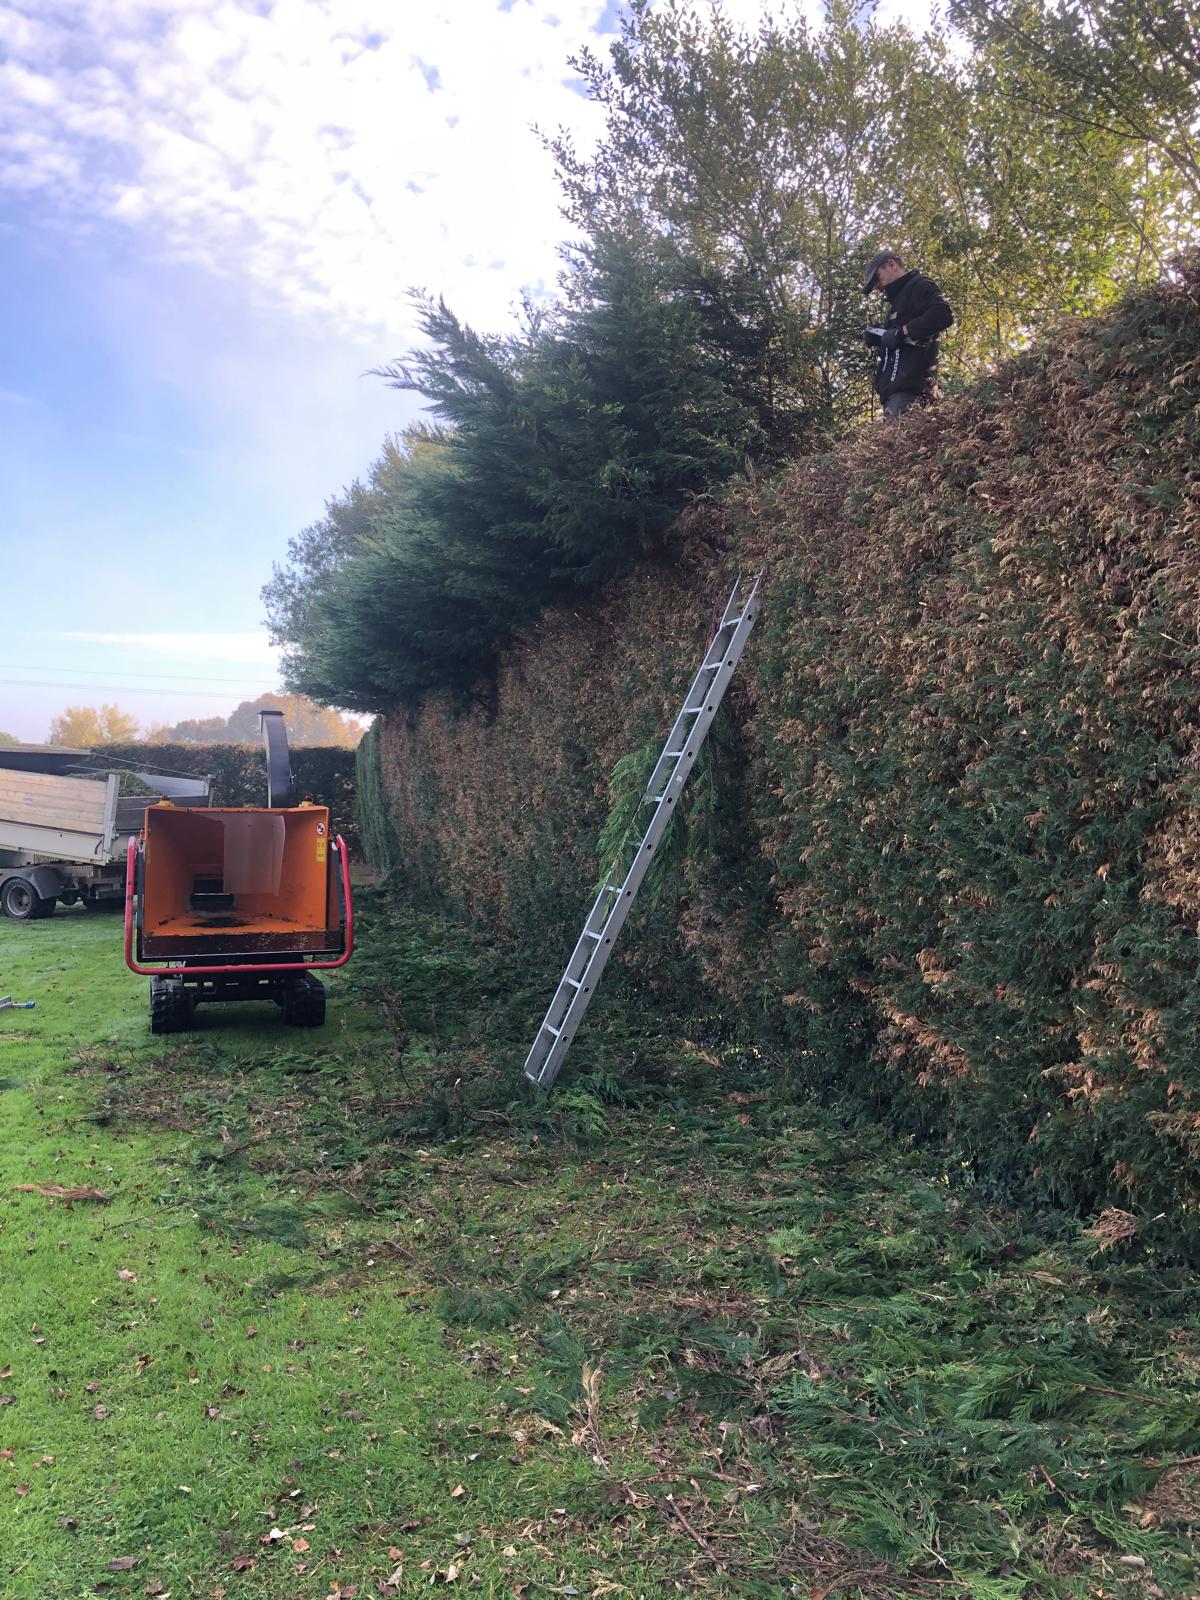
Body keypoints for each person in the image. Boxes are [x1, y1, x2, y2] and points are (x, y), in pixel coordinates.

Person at [860, 250, 954, 418]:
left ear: (891, 265)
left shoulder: (919, 285)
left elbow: (942, 314)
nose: (876, 286)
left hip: (911, 392)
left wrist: (902, 332)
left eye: (876, 278)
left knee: (896, 441)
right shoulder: (894, 307)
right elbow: (898, 344)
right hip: (893, 396)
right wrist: (880, 338)